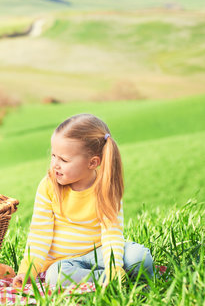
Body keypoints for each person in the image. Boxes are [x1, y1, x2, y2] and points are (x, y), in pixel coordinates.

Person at [12, 113, 153, 288]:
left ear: (92, 163)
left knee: (139, 257)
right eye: (53, 156)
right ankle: (117, 282)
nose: (55, 164)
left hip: (101, 253)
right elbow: (39, 234)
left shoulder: (106, 187)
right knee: (56, 277)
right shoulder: (48, 186)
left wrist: (114, 267)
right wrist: (28, 271)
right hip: (64, 263)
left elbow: (112, 233)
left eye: (63, 159)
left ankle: (116, 278)